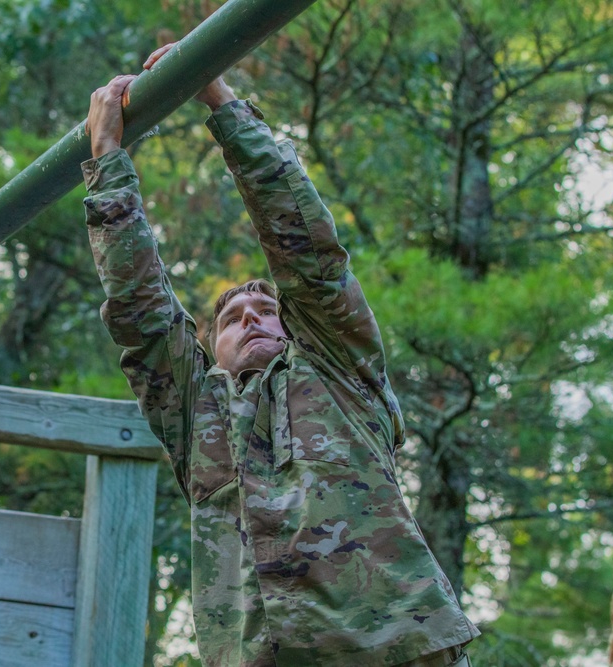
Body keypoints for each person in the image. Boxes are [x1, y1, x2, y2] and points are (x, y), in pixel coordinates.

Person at [81, 43, 480, 667]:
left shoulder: (338, 370)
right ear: (211, 348)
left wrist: (218, 99)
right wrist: (108, 160)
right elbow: (142, 314)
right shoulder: (197, 412)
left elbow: (307, 253)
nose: (253, 319)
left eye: (269, 312)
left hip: (390, 649)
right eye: (234, 318)